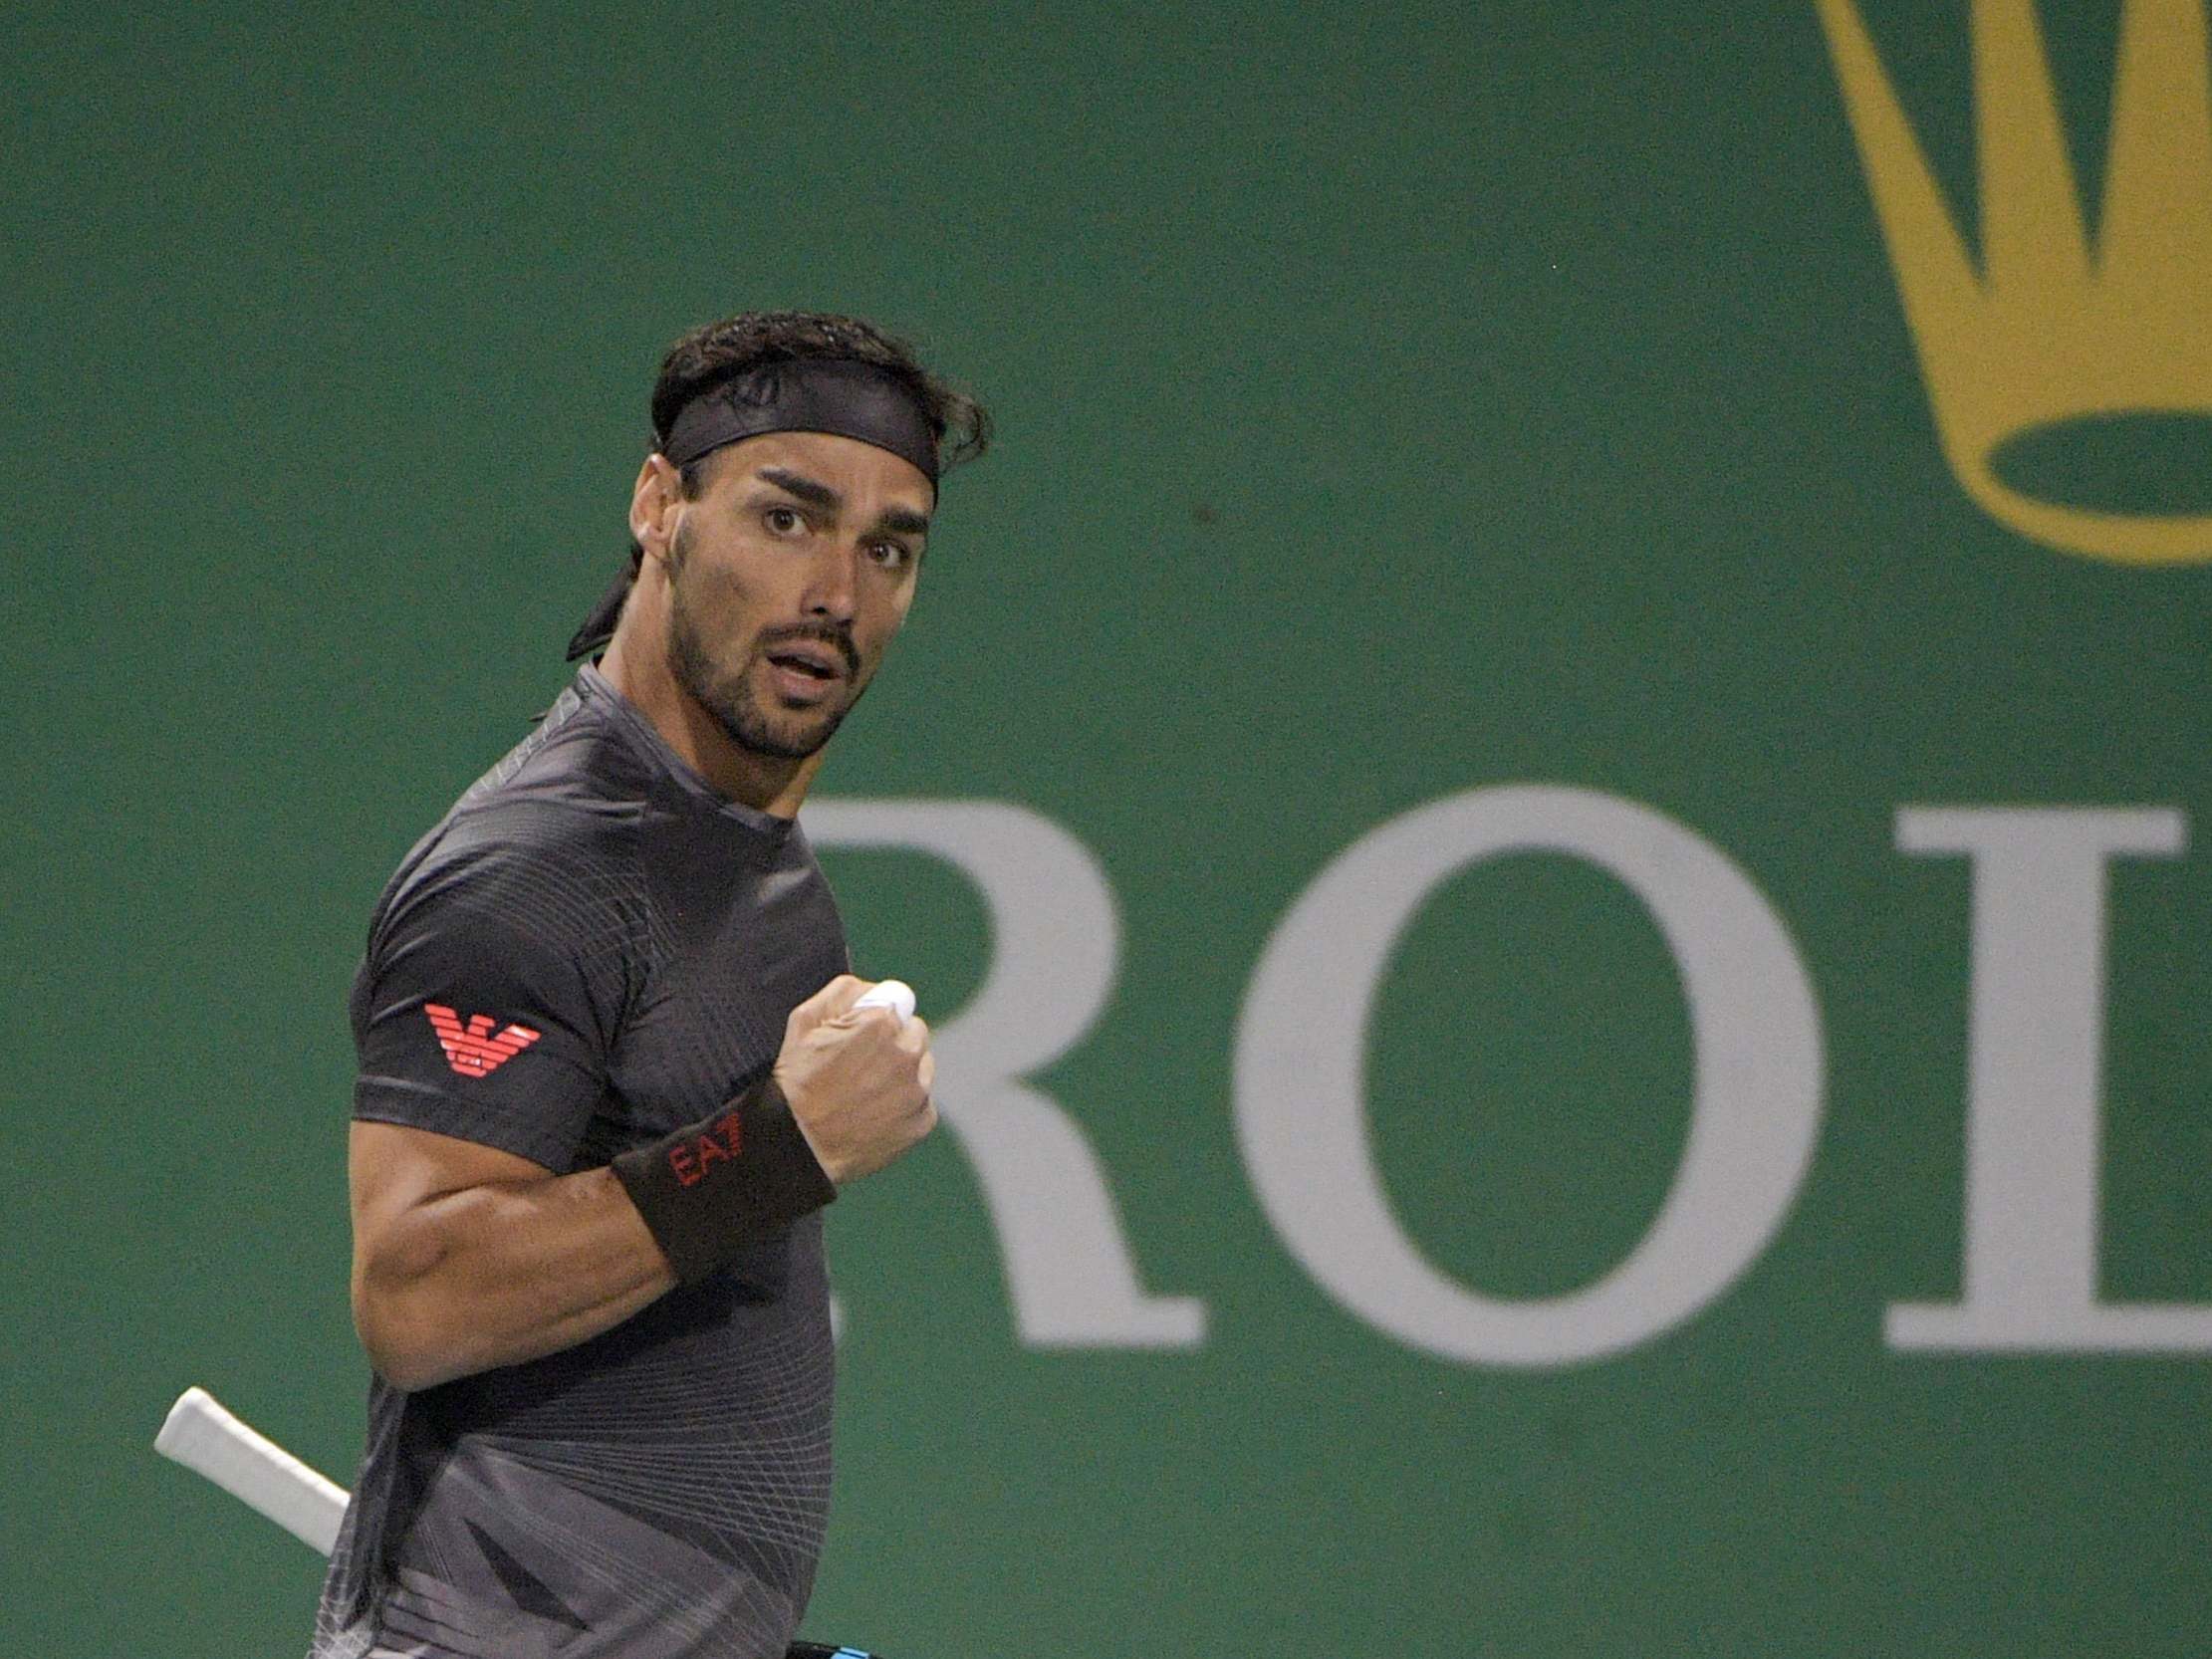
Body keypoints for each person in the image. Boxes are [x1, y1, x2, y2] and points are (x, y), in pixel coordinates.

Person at [308, 311, 990, 1659]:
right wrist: (778, 1147)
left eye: (887, 547)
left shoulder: (749, 857)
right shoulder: (534, 867)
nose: (837, 597)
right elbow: (418, 1293)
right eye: (786, 519)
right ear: (658, 505)